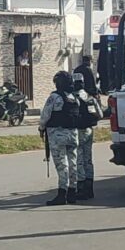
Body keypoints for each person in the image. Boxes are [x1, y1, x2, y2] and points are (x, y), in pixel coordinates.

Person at [39, 71, 80, 206]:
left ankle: (62, 194)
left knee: (62, 165)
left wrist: (41, 128)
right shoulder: (74, 97)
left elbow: (45, 114)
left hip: (57, 135)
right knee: (73, 163)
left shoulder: (55, 97)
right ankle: (72, 192)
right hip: (73, 134)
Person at [73, 72, 102, 200]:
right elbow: (100, 115)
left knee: (79, 160)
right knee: (88, 159)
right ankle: (90, 189)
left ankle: (81, 188)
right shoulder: (90, 98)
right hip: (89, 130)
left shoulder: (72, 98)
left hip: (77, 131)